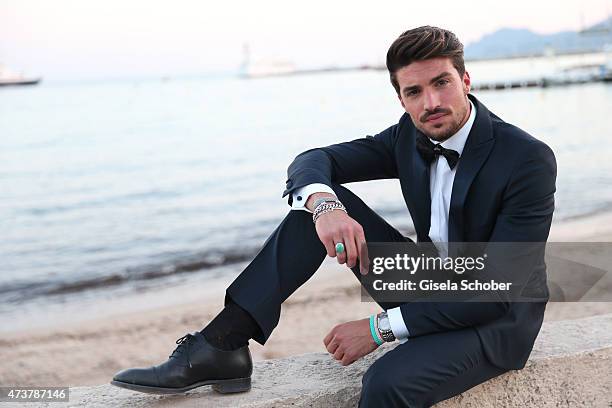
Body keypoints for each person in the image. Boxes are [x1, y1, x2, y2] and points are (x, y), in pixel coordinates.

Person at [111, 25, 556, 407]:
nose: (430, 102)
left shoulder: (526, 159)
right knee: (315, 209)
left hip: (497, 318)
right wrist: (326, 206)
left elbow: (498, 290)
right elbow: (314, 159)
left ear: (465, 80)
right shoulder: (408, 135)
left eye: (442, 83)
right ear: (401, 99)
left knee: (386, 381)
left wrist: (380, 329)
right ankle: (223, 344)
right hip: (431, 281)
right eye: (414, 92)